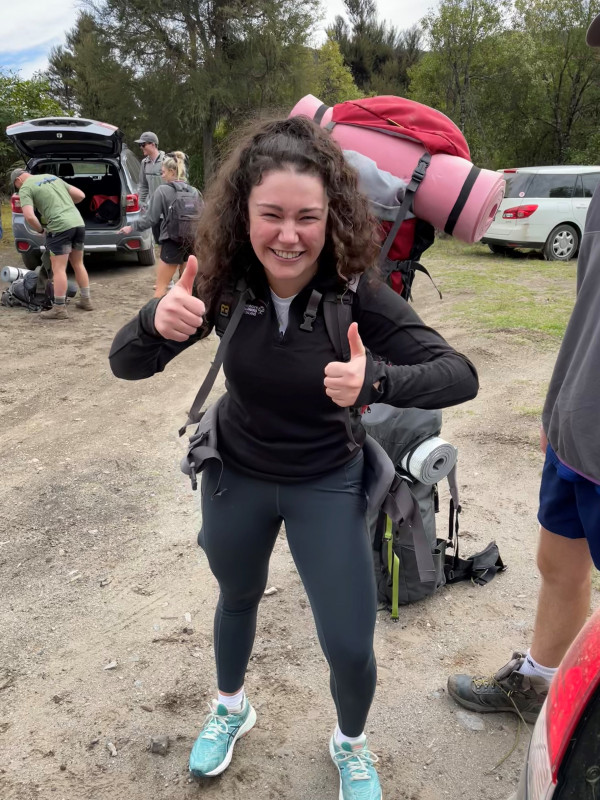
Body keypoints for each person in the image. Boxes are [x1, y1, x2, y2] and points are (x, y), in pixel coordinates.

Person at [109, 116, 479, 799]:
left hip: (326, 480)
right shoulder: (221, 283)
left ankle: (351, 744)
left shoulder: (355, 293)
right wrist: (151, 321)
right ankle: (232, 709)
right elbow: (126, 365)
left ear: (331, 216)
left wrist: (377, 382)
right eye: (271, 214)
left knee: (347, 642)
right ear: (243, 212)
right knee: (238, 595)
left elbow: (460, 374)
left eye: (307, 217)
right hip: (236, 474)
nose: (289, 235)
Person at [447, 13, 600, 727]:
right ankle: (535, 683)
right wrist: (555, 409)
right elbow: (587, 310)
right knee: (556, 564)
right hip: (576, 428)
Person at [11, 168, 93, 320]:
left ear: (18, 180)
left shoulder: (26, 187)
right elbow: (80, 195)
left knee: (59, 268)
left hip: (60, 227)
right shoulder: (51, 177)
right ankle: (86, 300)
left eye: (16, 186)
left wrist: (41, 230)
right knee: (78, 264)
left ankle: (59, 309)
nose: (18, 188)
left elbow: (29, 216)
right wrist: (64, 204)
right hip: (78, 223)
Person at [119, 151, 200, 298]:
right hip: (191, 243)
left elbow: (151, 218)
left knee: (161, 289)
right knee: (186, 289)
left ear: (172, 171)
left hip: (171, 242)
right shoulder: (194, 191)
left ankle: (156, 318)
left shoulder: (163, 190)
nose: (161, 176)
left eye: (163, 172)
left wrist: (131, 227)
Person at [135, 131, 165, 242]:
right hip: (154, 212)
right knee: (159, 242)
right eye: (140, 145)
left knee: (169, 243)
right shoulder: (144, 163)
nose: (141, 147)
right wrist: (141, 202)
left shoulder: (167, 161)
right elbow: (143, 185)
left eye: (143, 145)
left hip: (168, 213)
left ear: (152, 144)